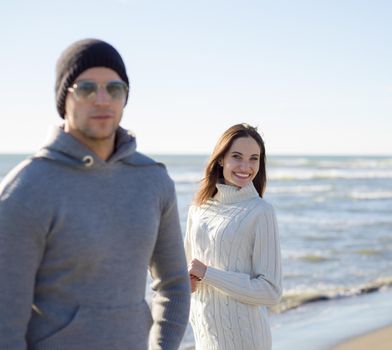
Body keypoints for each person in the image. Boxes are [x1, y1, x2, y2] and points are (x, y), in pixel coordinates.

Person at [0, 38, 190, 350]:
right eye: (87, 88)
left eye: (114, 89)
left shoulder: (153, 181)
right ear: (65, 99)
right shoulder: (27, 188)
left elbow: (175, 284)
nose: (102, 100)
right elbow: (5, 320)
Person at [184, 123, 282, 350]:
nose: (246, 167)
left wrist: (208, 274)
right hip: (205, 335)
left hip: (245, 340)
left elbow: (271, 291)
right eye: (237, 156)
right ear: (220, 159)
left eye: (254, 158)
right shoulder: (198, 208)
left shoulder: (261, 212)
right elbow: (186, 267)